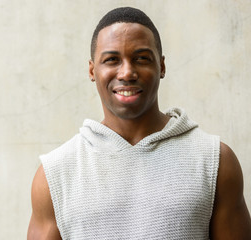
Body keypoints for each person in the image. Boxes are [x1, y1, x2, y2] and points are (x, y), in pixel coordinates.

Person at [27, 7, 251, 239]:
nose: (127, 72)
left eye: (141, 58)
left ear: (161, 67)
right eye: (112, 60)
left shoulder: (215, 161)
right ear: (93, 70)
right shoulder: (54, 174)